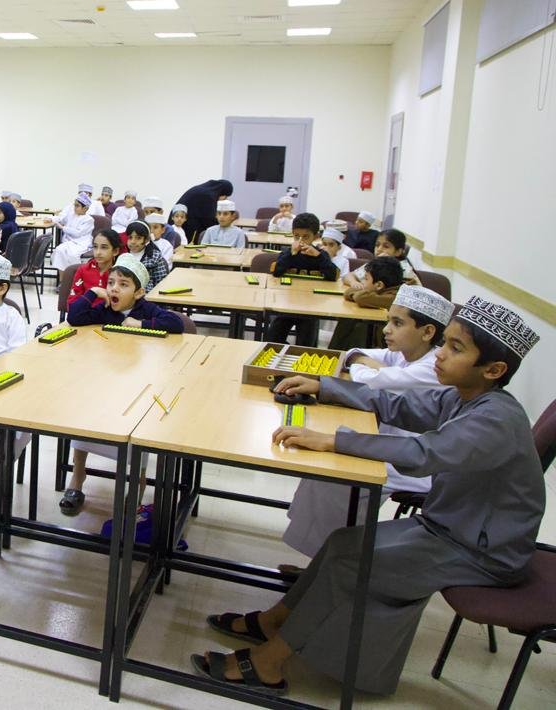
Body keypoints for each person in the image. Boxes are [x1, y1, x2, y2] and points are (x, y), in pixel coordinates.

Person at [195, 296, 542, 697]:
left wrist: (333, 440)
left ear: (494, 370)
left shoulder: (495, 419)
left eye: (455, 348)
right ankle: (276, 620)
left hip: (482, 552)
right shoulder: (462, 397)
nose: (441, 355)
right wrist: (325, 386)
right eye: (445, 343)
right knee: (342, 543)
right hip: (449, 528)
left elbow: (422, 454)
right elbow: (396, 404)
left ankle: (269, 663)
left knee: (351, 566)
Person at [283, 286, 452, 559]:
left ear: (428, 332)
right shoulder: (404, 354)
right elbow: (352, 352)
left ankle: (333, 561)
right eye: (388, 321)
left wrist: (372, 370)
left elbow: (370, 382)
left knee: (337, 473)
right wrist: (371, 366)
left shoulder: (432, 368)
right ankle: (321, 559)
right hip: (388, 441)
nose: (386, 330)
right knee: (325, 467)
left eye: (397, 323)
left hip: (413, 462)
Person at [60, 254, 186, 516]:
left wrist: (142, 324)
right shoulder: (105, 308)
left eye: (123, 284)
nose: (114, 289)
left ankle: (137, 485)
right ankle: (78, 476)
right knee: (84, 419)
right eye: (111, 283)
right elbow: (74, 317)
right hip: (104, 380)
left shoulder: (146, 310)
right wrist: (92, 293)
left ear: (138, 292)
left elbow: (176, 323)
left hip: (137, 383)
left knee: (137, 433)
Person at [264, 213, 340, 344]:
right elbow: (276, 272)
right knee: (273, 338)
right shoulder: (288, 253)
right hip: (288, 303)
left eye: (306, 237)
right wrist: (291, 253)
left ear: (316, 236)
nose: (300, 240)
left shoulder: (321, 255)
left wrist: (318, 256)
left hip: (311, 306)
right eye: (296, 236)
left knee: (306, 342)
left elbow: (333, 276)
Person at [328, 256, 404, 350]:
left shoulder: (395, 297)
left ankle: (339, 353)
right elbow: (348, 292)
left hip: (388, 345)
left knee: (358, 325)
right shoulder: (381, 291)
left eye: (366, 279)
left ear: (379, 285)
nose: (363, 282)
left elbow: (361, 298)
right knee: (349, 320)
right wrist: (359, 292)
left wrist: (358, 293)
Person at [69, 228, 121, 306]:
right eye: (95, 247)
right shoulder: (83, 270)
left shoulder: (120, 273)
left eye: (104, 247)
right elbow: (73, 301)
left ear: (115, 251)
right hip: (86, 312)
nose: (98, 252)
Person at [176, 179, 233, 244]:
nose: (225, 199)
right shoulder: (208, 196)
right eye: (225, 196)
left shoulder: (207, 190)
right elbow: (210, 219)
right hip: (182, 223)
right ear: (222, 192)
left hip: (185, 220)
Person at [50, 193, 96, 270]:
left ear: (85, 208)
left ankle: (75, 275)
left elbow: (78, 233)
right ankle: (62, 277)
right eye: (74, 205)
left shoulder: (89, 220)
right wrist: (51, 219)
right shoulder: (72, 215)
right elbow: (61, 219)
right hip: (68, 241)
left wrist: (62, 227)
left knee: (72, 255)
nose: (75, 208)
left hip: (81, 243)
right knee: (59, 250)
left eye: (77, 206)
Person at [121, 221, 170, 290]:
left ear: (147, 240)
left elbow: (162, 283)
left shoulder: (154, 257)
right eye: (130, 237)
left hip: (147, 294)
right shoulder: (122, 255)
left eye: (138, 238)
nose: (133, 241)